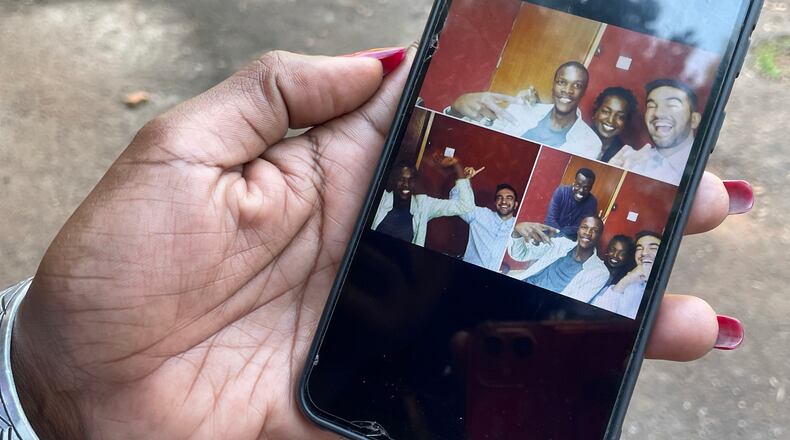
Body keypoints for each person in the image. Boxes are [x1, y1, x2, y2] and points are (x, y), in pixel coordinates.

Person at [1, 47, 749, 439]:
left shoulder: (594, 159)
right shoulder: (517, 147)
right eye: (560, 81)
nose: (568, 96)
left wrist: (45, 399)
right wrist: (42, 386)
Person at [448, 61, 602, 158]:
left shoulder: (590, 142)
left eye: (577, 85)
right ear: (553, 85)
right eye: (562, 82)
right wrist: (455, 108)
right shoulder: (523, 109)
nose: (567, 90)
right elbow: (480, 129)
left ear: (584, 92)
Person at [609, 79, 702, 185]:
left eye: (672, 105)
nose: (658, 113)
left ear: (694, 120)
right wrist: (611, 176)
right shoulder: (629, 161)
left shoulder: (701, 167)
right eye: (651, 106)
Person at [372, 157, 474, 246]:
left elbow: (465, 206)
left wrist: (457, 165)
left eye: (410, 179)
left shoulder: (423, 205)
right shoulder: (381, 198)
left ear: (415, 182)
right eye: (401, 179)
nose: (406, 184)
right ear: (393, 179)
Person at [508, 216, 610, 302]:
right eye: (584, 227)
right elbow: (521, 254)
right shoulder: (561, 244)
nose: (588, 233)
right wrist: (517, 232)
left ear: (599, 236)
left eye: (595, 230)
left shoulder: (600, 272)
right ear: (578, 230)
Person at [450, 174, 519, 270]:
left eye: (509, 198)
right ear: (495, 202)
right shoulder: (480, 214)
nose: (504, 201)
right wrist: (464, 179)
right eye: (500, 197)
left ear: (515, 205)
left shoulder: (519, 226)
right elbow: (455, 203)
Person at [591, 231, 662, 318]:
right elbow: (596, 315)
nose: (644, 253)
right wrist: (625, 281)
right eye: (639, 248)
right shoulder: (626, 285)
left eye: (653, 248)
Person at [545, 168, 598, 239]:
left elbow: (579, 226)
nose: (581, 190)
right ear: (574, 182)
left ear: (590, 188)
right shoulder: (561, 192)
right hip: (550, 231)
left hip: (570, 238)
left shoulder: (592, 203)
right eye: (578, 185)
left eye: (586, 188)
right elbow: (551, 218)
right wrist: (557, 235)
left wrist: (561, 235)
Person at [591, 87, 639, 162]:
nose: (610, 120)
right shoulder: (575, 137)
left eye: (620, 116)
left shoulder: (623, 155)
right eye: (606, 112)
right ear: (596, 112)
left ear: (625, 122)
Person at [587, 235, 637, 304]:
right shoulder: (595, 268)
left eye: (622, 254)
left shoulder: (625, 282)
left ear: (628, 256)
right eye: (613, 250)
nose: (615, 255)